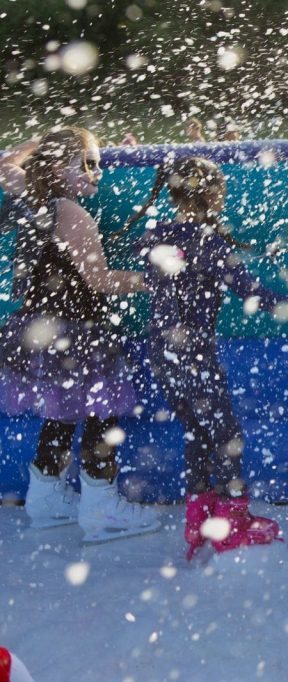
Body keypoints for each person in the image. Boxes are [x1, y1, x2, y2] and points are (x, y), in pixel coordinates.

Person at [122, 156, 288, 560]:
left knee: (196, 432)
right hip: (194, 353)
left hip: (162, 351)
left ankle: (199, 518)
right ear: (210, 194)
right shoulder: (209, 243)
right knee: (225, 436)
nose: (223, 199)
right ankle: (231, 525)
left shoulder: (157, 236)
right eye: (221, 192)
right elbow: (252, 294)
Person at [0, 129, 159, 543]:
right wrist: (155, 279)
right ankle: (101, 503)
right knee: (101, 413)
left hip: (39, 329)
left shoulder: (32, 200)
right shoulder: (72, 213)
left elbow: (4, 166)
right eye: (87, 163)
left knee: (62, 411)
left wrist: (40, 141)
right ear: (58, 168)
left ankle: (46, 498)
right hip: (76, 331)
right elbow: (101, 280)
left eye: (97, 163)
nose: (97, 172)